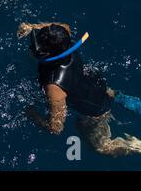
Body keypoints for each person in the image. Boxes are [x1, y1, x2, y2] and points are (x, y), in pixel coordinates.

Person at [17, 22, 141, 157]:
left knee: (103, 148)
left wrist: (32, 114)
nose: (33, 47)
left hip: (94, 113)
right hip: (98, 85)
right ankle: (120, 98)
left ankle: (134, 146)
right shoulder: (64, 38)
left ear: (47, 54)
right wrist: (32, 27)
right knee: (110, 94)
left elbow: (56, 128)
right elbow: (63, 27)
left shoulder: (54, 86)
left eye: (37, 47)